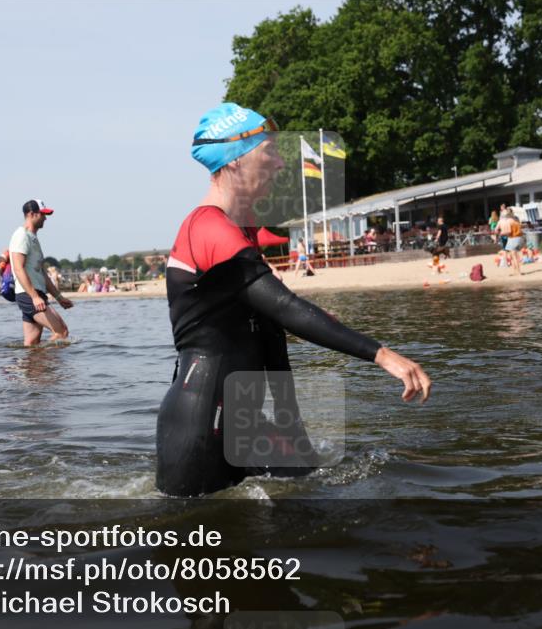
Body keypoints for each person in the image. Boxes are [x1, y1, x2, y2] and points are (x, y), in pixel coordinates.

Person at [157, 102, 431, 497]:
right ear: (234, 160)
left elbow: (272, 332)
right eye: (269, 151)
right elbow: (286, 308)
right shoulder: (207, 228)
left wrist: (292, 428)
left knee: (310, 498)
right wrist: (382, 355)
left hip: (243, 420)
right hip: (199, 424)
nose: (280, 163)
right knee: (204, 533)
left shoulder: (243, 230)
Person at [8, 199, 73, 346]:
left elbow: (42, 273)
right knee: (61, 332)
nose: (45, 218)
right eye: (42, 214)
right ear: (32, 214)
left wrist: (59, 297)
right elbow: (18, 268)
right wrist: (35, 297)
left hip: (35, 294)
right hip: (29, 295)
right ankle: (51, 362)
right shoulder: (21, 236)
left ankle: (32, 362)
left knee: (31, 342)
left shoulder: (33, 238)